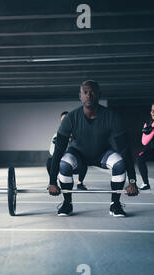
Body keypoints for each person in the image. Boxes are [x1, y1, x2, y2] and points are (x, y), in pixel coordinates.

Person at [48, 80, 138, 217]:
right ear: (80, 96)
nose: (89, 95)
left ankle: (115, 204)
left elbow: (125, 149)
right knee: (64, 163)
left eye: (92, 92)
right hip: (77, 155)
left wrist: (132, 181)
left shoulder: (112, 116)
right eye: (85, 92)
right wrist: (52, 182)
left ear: (98, 95)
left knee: (119, 162)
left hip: (101, 154)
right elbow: (58, 150)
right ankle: (67, 203)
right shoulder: (71, 118)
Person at [46, 111, 88, 190]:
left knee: (84, 161)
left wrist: (72, 142)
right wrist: (58, 145)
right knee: (49, 161)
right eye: (63, 120)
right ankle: (52, 182)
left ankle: (80, 183)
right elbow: (52, 152)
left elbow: (84, 150)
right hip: (61, 160)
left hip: (75, 162)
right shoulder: (57, 135)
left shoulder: (78, 134)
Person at [136, 102, 154, 190]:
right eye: (151, 110)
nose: (152, 112)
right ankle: (146, 183)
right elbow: (144, 142)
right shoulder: (148, 124)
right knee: (140, 157)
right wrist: (153, 127)